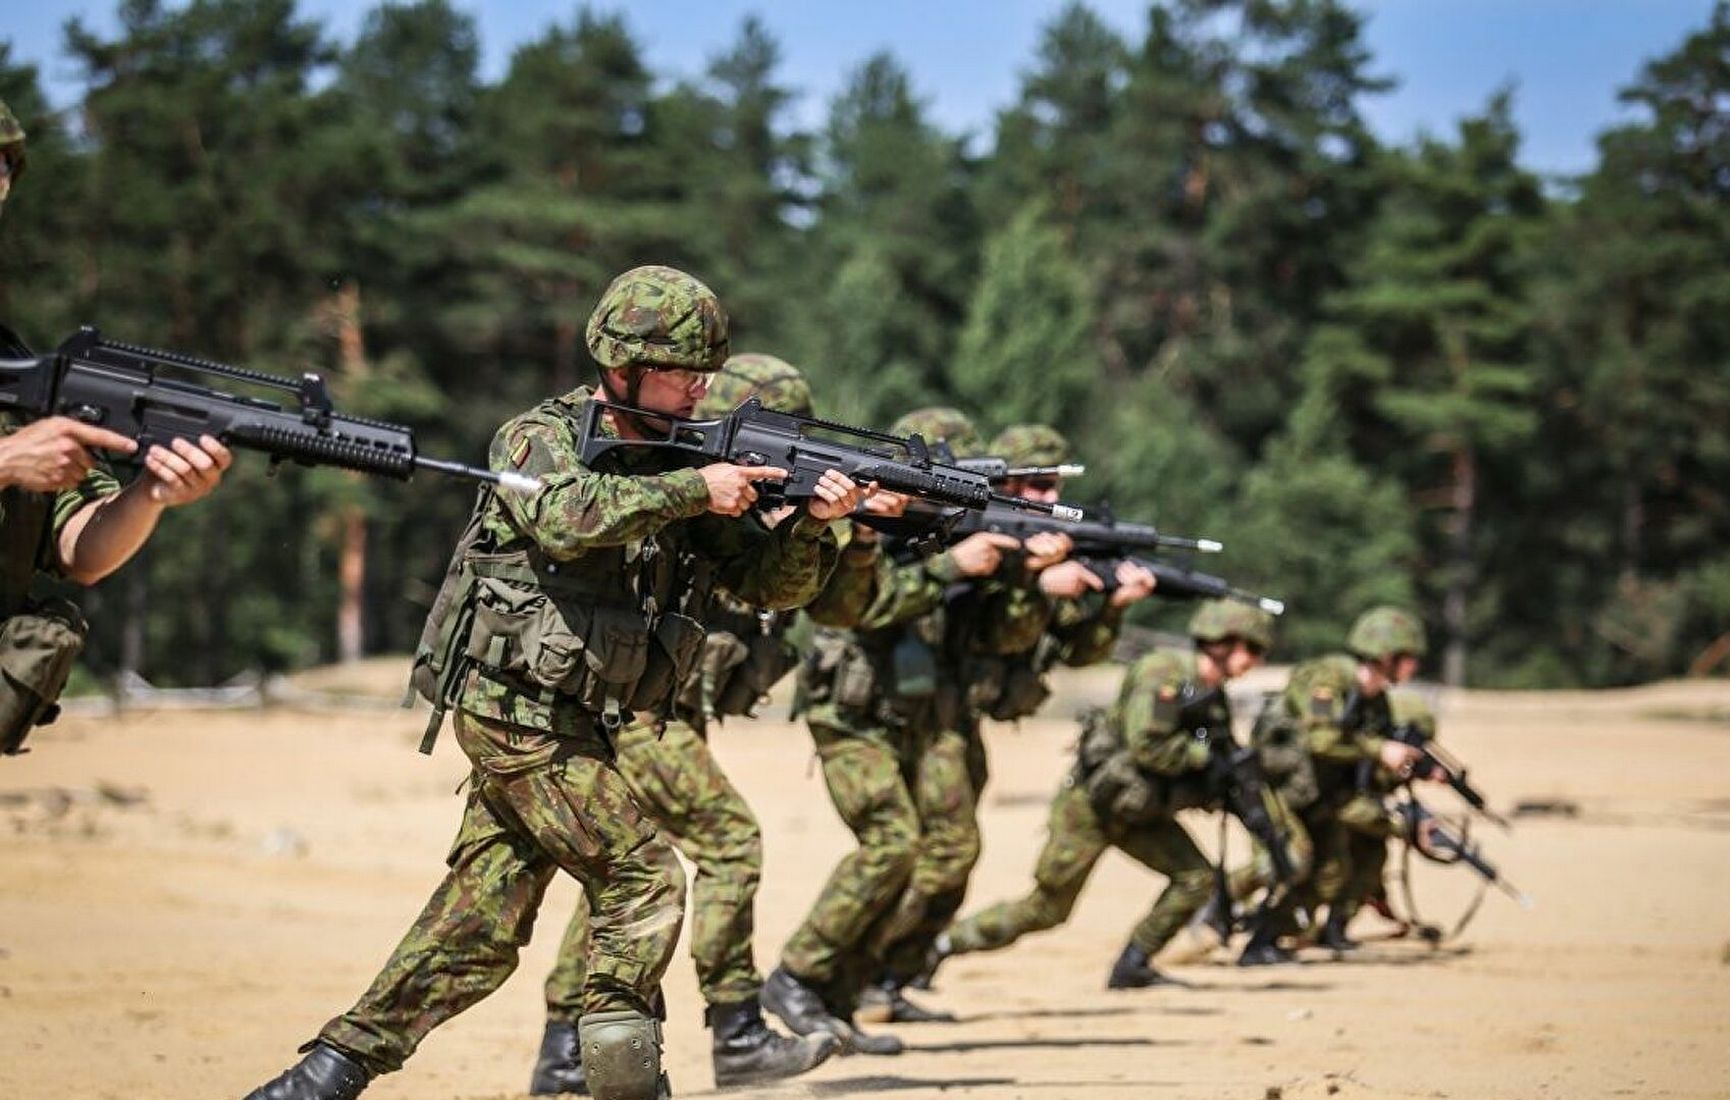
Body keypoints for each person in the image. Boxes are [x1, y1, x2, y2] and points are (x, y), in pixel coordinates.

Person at [242, 266, 862, 1100]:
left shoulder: (681, 460)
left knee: (479, 927)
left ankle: (320, 1079)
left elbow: (764, 587)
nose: (700, 389)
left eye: (704, 372)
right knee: (644, 878)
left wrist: (816, 527)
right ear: (623, 366)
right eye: (684, 372)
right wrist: (693, 490)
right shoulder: (542, 437)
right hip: (512, 712)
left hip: (578, 721)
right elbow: (563, 517)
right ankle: (621, 1082)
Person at [528, 354, 838, 1095]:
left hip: (659, 711)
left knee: (621, 875)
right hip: (627, 713)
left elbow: (803, 594)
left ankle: (566, 1053)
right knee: (729, 843)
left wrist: (826, 522)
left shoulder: (724, 502)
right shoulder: (664, 485)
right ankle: (735, 1030)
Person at [857, 421, 1157, 1024]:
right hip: (902, 713)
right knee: (937, 851)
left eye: (1052, 487)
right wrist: (1022, 580)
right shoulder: (944, 533)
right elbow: (896, 609)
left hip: (954, 716)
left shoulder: (1017, 544)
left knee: (950, 855)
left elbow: (1062, 649)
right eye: (1037, 485)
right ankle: (861, 975)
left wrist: (1093, 603)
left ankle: (888, 976)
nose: (1047, 499)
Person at [0, 97, 232, 756]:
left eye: (2, 171)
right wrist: (7, 461)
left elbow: (79, 551)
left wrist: (153, 493)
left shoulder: (12, 359)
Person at [924, 600, 1287, 987]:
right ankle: (939, 946)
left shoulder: (1212, 697)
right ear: (1221, 643)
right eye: (1251, 650)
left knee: (1196, 878)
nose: (1255, 661)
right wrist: (1205, 760)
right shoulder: (1163, 674)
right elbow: (1147, 745)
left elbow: (1217, 754)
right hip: (1092, 809)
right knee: (1046, 908)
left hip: (1141, 813)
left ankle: (1134, 963)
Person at [1237, 605, 1433, 965]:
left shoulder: (1376, 702)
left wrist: (1411, 769)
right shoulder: (1328, 680)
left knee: (1332, 872)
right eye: (1409, 659)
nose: (1414, 668)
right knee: (1292, 861)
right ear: (1387, 657)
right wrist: (1379, 750)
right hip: (1277, 789)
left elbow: (1365, 763)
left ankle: (1266, 937)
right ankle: (1218, 914)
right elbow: (1320, 740)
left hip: (1319, 797)